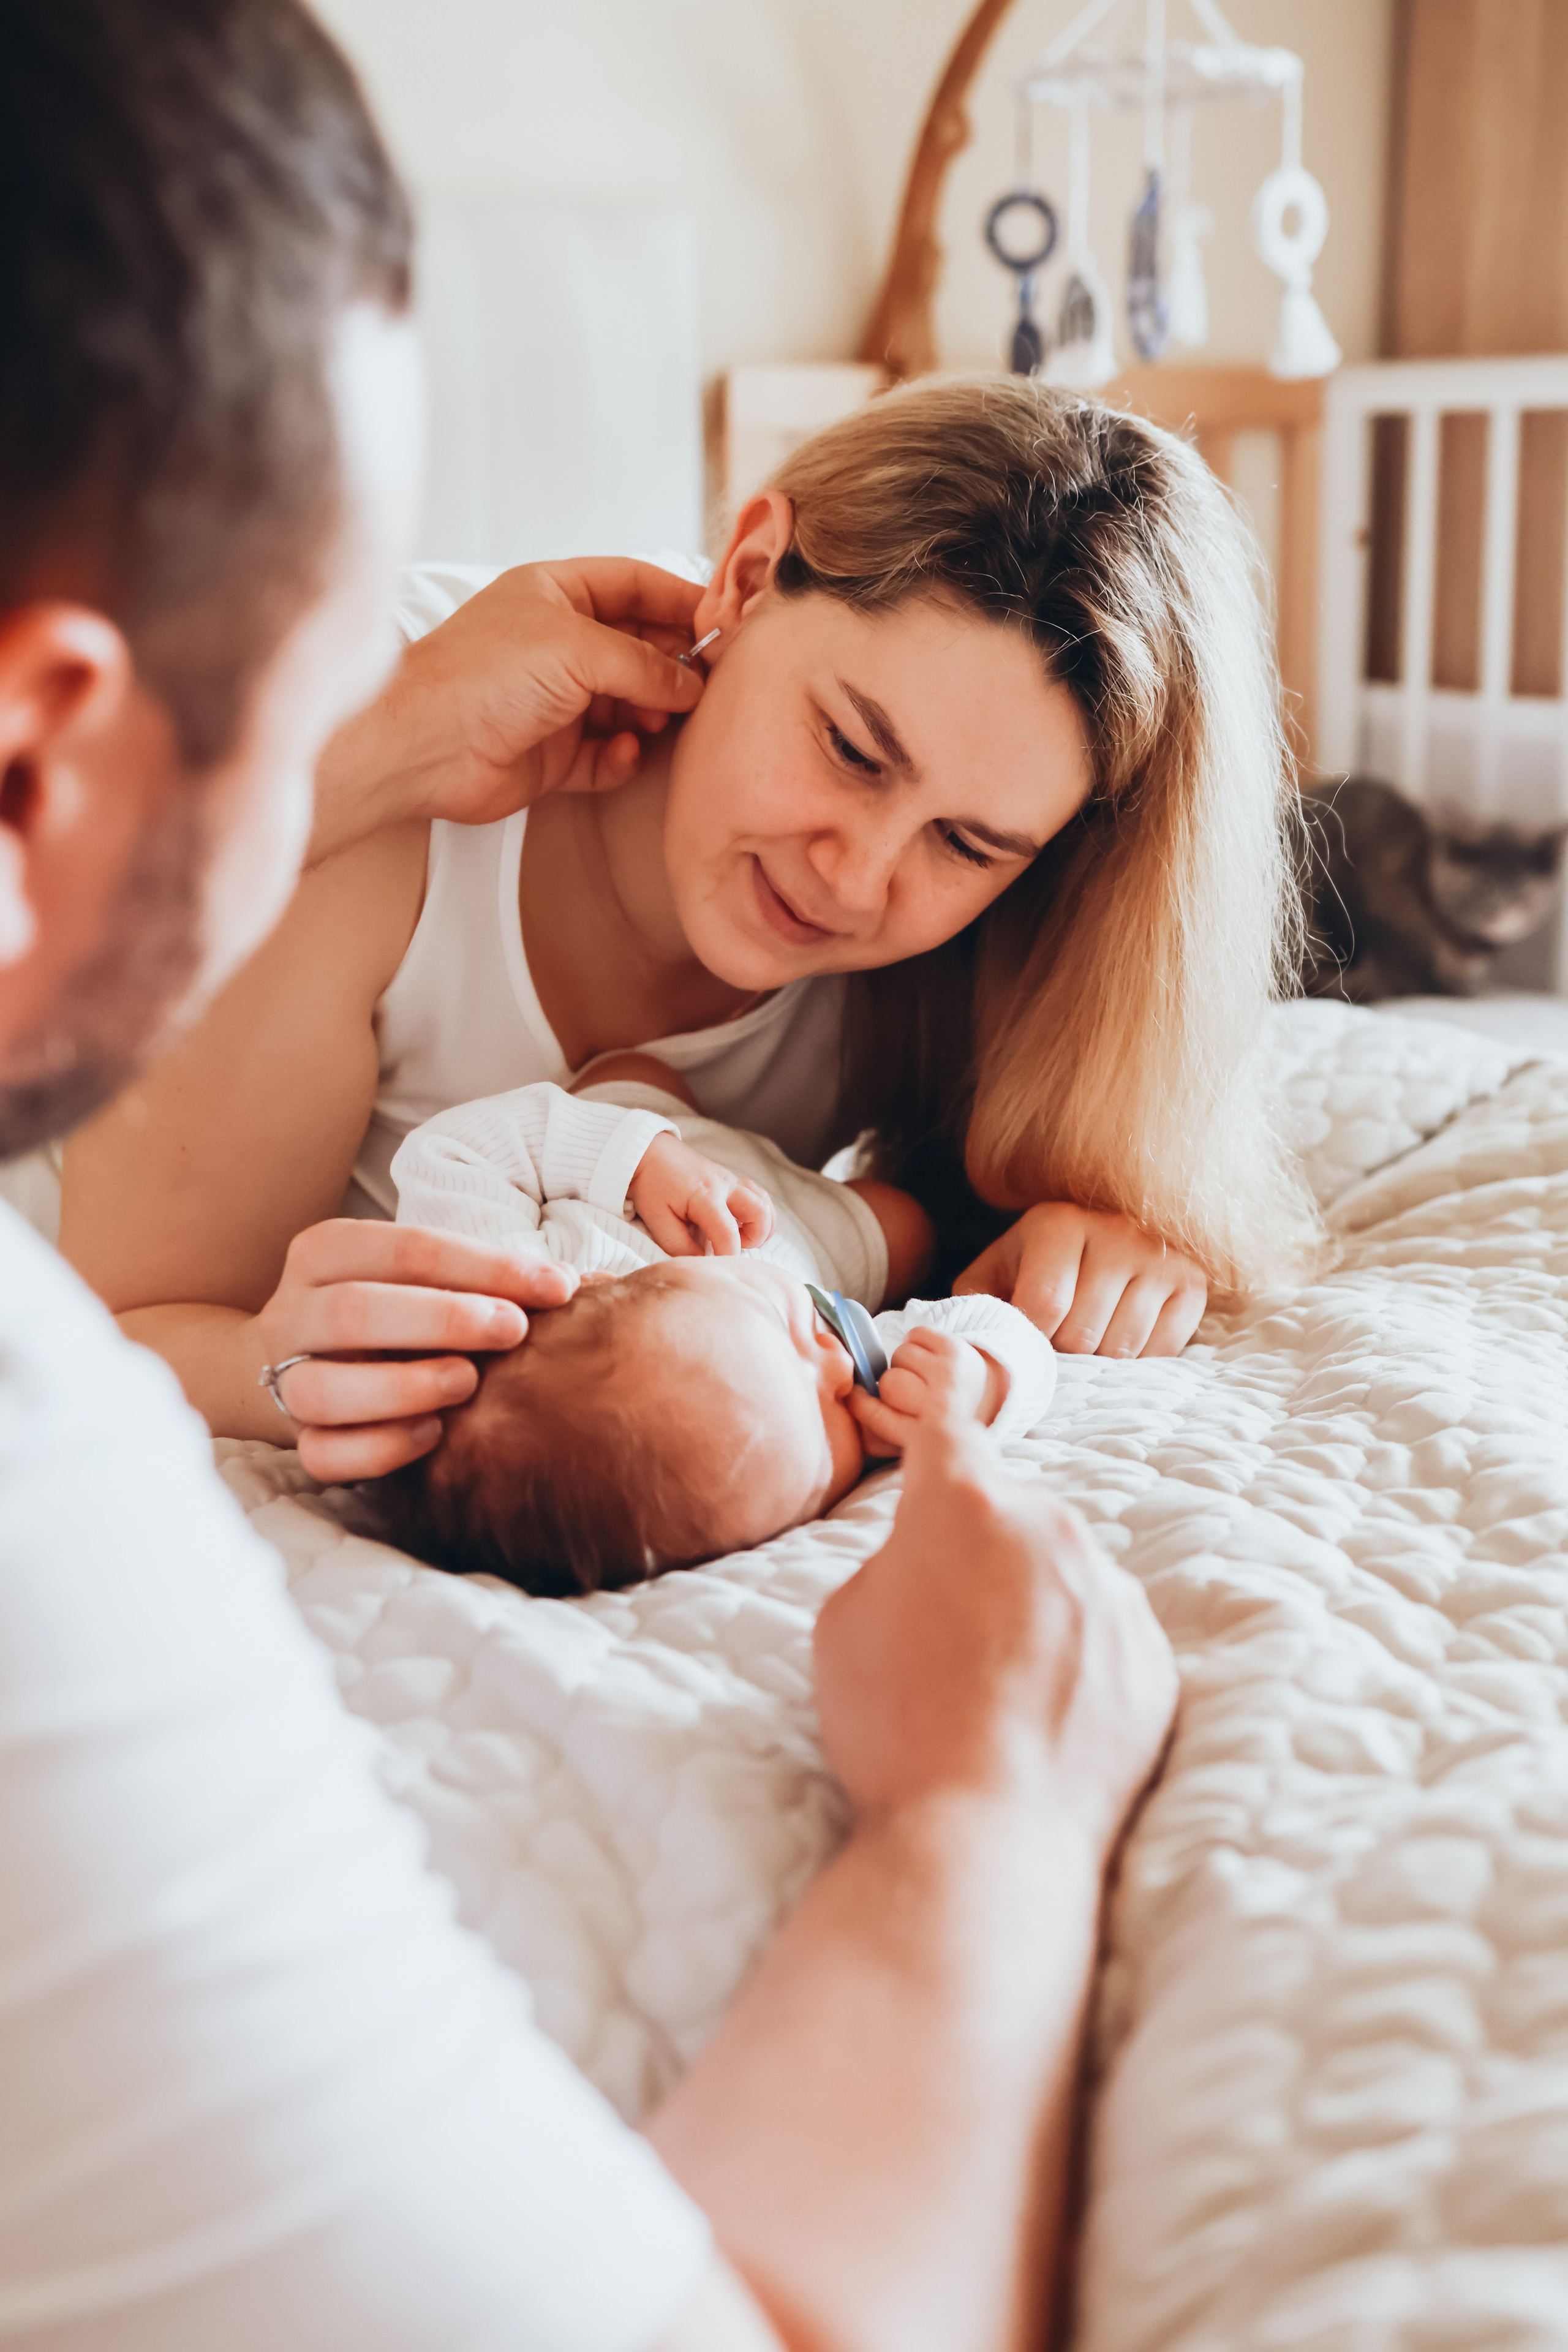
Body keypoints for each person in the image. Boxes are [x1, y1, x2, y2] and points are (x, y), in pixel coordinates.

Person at [0, 4, 1178, 2349]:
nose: (861, 867)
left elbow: (924, 1208)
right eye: (310, 684)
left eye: (959, 841)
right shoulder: (58, 1489)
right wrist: (980, 1809)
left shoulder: (932, 997)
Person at [59, 374, 1320, 1493]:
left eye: (966, 844)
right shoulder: (367, 776)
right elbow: (126, 1321)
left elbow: (952, 1210)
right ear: (748, 574)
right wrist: (260, 1366)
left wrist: (1078, 1232)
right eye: (850, 748)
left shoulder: (954, 957)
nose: (858, 877)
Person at [372, 1057, 1055, 1589]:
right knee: (910, 1232)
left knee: (634, 1073)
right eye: (824, 1427)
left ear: (597, 1285)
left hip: (666, 1166)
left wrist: (639, 1157)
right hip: (816, 1230)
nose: (837, 1364)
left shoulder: (517, 1287)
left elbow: (460, 1149)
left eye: (784, 1329)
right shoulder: (860, 1411)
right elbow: (1006, 1332)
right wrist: (979, 1382)